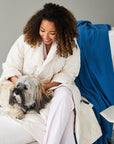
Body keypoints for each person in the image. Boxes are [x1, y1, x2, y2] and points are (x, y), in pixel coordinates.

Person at [0, 3, 101, 144]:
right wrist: (23, 85)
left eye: (52, 33)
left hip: (53, 88)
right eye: (42, 30)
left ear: (61, 31)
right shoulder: (25, 40)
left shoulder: (70, 45)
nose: (46, 36)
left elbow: (69, 73)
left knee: (66, 95)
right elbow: (11, 66)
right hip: (23, 87)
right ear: (37, 27)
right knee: (68, 117)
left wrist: (45, 87)